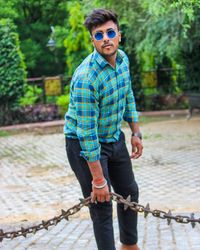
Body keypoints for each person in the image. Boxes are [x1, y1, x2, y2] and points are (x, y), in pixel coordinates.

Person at [64, 8, 143, 250]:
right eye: (99, 35)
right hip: (84, 145)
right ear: (93, 40)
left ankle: (129, 246)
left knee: (129, 192)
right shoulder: (86, 78)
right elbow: (87, 134)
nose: (105, 38)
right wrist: (98, 180)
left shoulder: (123, 59)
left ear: (119, 35)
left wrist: (135, 132)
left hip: (113, 137)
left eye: (110, 32)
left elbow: (127, 95)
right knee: (101, 203)